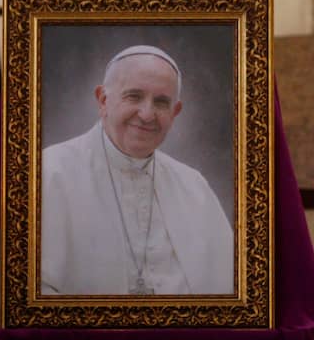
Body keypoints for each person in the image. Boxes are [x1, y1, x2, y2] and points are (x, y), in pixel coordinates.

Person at [41, 45, 233, 296]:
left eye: (161, 102)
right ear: (103, 100)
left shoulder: (193, 186)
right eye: (134, 96)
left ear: (175, 113)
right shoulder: (49, 172)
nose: (146, 114)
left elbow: (228, 288)